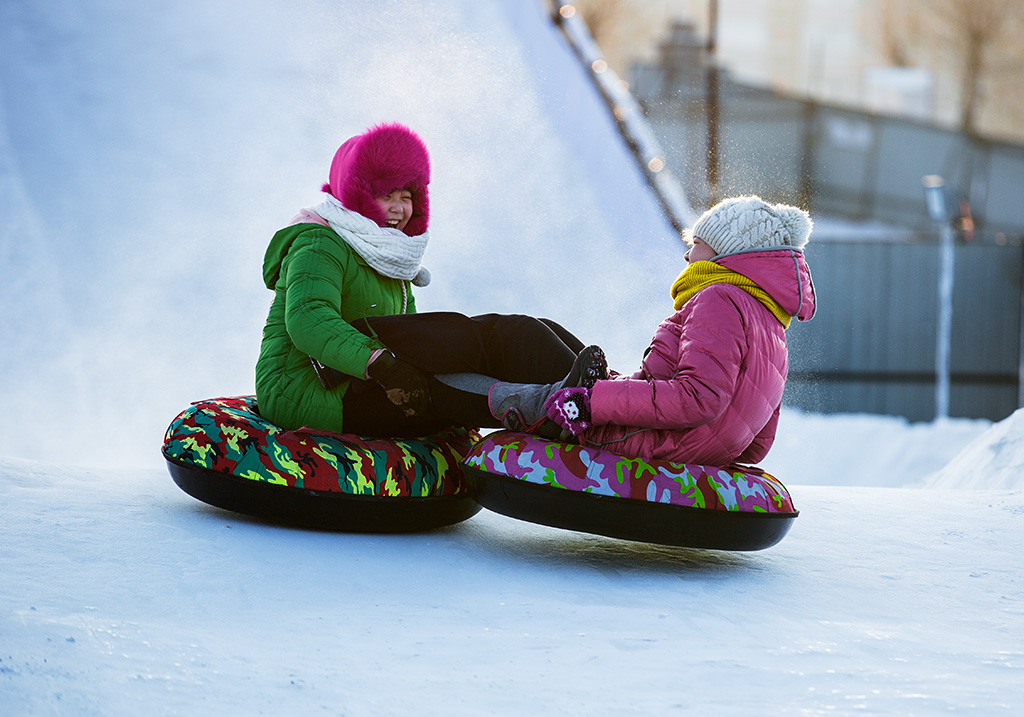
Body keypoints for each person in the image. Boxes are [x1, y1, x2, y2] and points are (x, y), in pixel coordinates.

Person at [255, 122, 605, 438]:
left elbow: (409, 336)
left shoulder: (387, 255)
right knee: (467, 358)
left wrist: (393, 366)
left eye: (406, 197)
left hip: (357, 379)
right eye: (385, 195)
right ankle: (565, 406)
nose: (398, 208)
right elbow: (308, 318)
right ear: (356, 195)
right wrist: (382, 365)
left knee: (527, 332)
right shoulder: (320, 242)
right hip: (306, 389)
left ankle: (607, 392)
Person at [493, 195, 817, 467]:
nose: (688, 254)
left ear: (726, 252)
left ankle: (467, 398)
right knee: (552, 337)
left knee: (525, 347)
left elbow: (697, 398)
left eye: (697, 243)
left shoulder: (720, 297)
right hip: (686, 445)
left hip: (647, 441)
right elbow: (758, 445)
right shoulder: (772, 325)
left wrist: (592, 404)